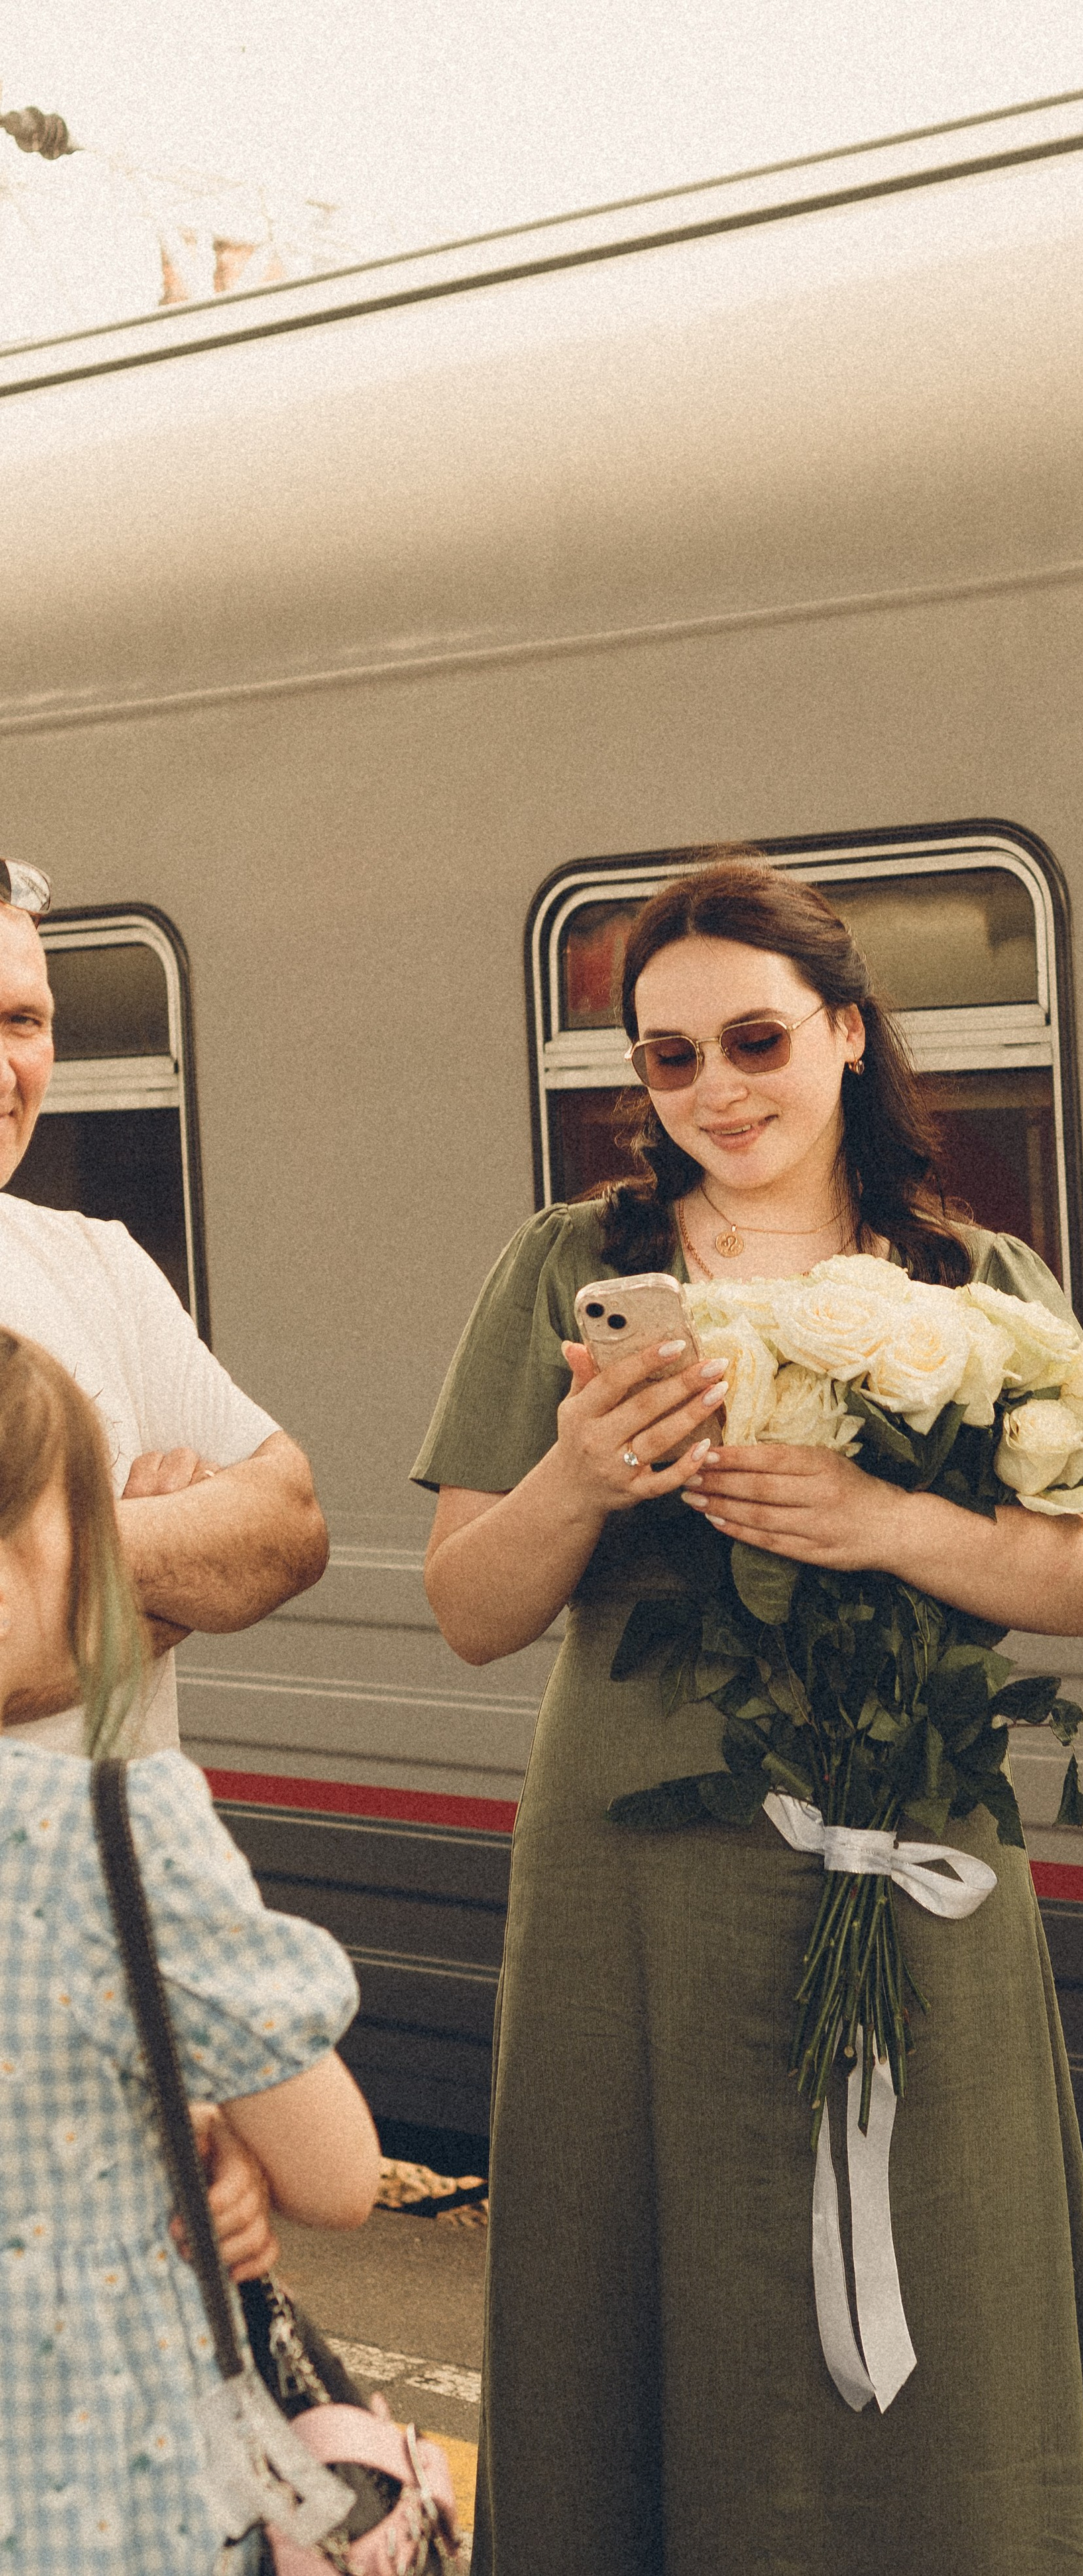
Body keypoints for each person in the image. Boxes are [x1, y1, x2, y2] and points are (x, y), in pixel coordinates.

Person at [416, 857, 1083, 2576]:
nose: (716, 1089)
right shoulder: (567, 1270)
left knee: (944, 2259)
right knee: (645, 2275)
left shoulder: (978, 1281)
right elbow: (469, 1608)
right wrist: (582, 1472)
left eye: (754, 1037)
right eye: (667, 1059)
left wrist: (888, 1524)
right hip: (633, 1874)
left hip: (917, 1838)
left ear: (843, 1031)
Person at [0, 1326, 380, 2573]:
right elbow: (336, 2175)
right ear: (44, 1570)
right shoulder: (104, 1841)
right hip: (102, 2502)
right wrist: (198, 2115)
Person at [0, 865, 328, 1750]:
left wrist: (72, 1561)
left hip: (120, 1888)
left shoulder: (97, 1263)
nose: (4, 1070)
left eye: (23, 1021)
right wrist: (168, 1580)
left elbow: (293, 1523)